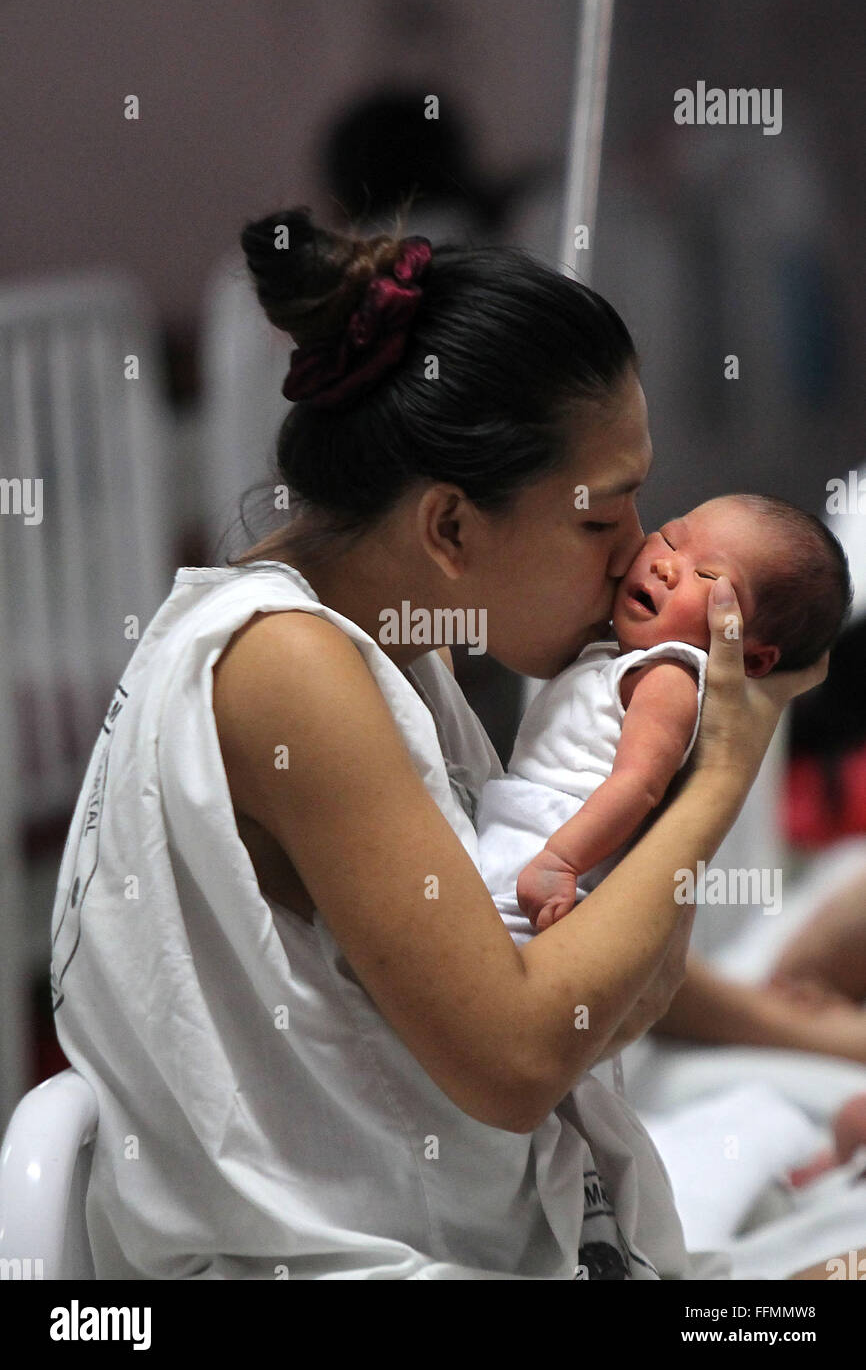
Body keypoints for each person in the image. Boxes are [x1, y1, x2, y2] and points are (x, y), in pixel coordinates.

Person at [50, 205, 851, 1279]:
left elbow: (514, 941)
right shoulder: (290, 672)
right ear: (449, 528)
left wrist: (799, 1029)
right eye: (600, 517)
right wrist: (716, 770)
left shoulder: (390, 645)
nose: (630, 560)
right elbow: (518, 1055)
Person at [476, 493, 851, 938]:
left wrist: (563, 860)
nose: (666, 567)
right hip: (516, 843)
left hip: (551, 860)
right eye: (671, 540)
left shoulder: (668, 677)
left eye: (708, 575)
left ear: (751, 658)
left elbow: (638, 785)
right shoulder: (615, 652)